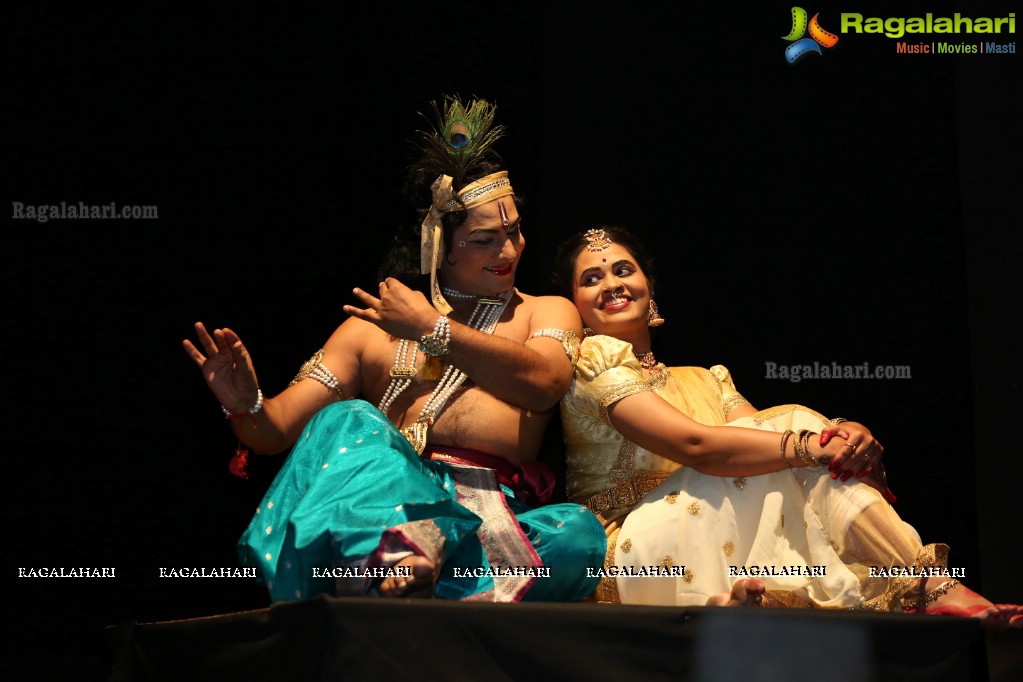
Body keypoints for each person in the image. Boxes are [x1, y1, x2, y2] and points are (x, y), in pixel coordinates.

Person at [182, 96, 605, 603]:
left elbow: (544, 385)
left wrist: (435, 330)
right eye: (485, 240)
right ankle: (401, 557)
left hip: (487, 529)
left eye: (514, 231)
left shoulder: (543, 311)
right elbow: (270, 433)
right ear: (436, 247)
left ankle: (422, 583)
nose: (509, 251)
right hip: (377, 520)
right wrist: (243, 401)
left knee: (578, 533)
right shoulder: (370, 332)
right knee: (350, 421)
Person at [554, 225, 1022, 626]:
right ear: (575, 305)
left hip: (718, 531)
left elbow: (765, 440)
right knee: (794, 437)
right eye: (591, 278)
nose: (611, 284)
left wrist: (841, 436)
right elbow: (697, 445)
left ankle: (732, 598)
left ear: (650, 289)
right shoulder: (593, 361)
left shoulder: (706, 379)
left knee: (790, 451)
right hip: (637, 554)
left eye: (623, 270)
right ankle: (929, 586)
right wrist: (813, 442)